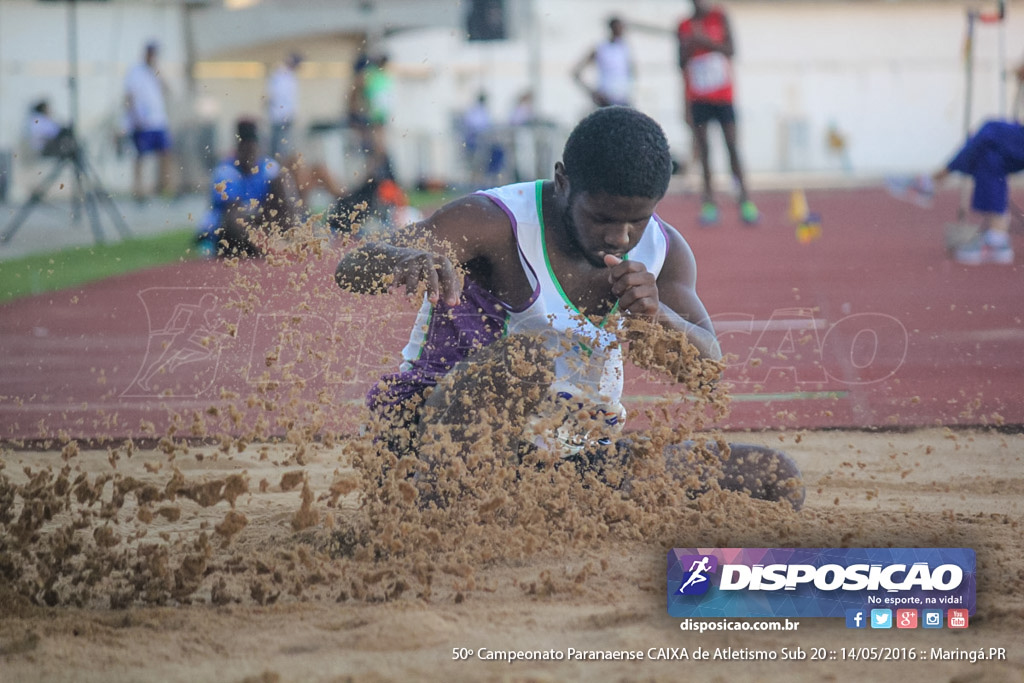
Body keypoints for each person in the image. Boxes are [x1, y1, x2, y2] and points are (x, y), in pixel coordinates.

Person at [335, 106, 805, 510]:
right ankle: (425, 522)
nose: (619, 238)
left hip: (562, 459)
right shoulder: (494, 221)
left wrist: (657, 317)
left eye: (636, 221)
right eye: (601, 218)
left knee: (773, 476)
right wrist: (407, 259)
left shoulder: (666, 251)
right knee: (526, 364)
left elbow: (708, 373)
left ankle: (526, 509)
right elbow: (352, 267)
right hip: (428, 439)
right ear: (562, 182)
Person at [677, 0, 758, 226]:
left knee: (732, 147)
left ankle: (745, 201)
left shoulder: (720, 18)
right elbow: (680, 63)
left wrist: (705, 41)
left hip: (723, 97)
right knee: (704, 152)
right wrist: (689, 46)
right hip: (698, 97)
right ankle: (709, 203)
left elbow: (731, 50)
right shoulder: (683, 25)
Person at [196, 119, 300, 258]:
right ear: (239, 148)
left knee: (283, 180)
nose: (250, 155)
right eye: (246, 149)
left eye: (253, 148)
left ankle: (292, 235)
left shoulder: (267, 166)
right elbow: (231, 210)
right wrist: (256, 215)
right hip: (227, 231)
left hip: (258, 221)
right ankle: (266, 246)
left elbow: (283, 198)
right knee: (235, 218)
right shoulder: (225, 171)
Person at [123, 41, 173, 202]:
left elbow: (167, 90)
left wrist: (158, 72)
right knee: (141, 157)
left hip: (159, 120)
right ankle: (138, 191)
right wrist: (134, 117)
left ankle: (164, 188)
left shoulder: (155, 72)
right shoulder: (135, 72)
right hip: (143, 122)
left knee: (165, 154)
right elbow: (129, 95)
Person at [572, 16, 634, 108]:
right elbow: (576, 73)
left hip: (623, 100)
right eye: (618, 28)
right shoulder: (601, 48)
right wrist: (592, 92)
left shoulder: (624, 48)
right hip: (605, 101)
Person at [266, 51, 303, 161]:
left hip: (286, 117)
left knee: (285, 148)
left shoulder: (290, 76)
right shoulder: (280, 75)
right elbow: (278, 97)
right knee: (279, 149)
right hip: (280, 118)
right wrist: (284, 115)